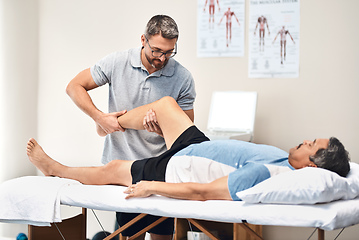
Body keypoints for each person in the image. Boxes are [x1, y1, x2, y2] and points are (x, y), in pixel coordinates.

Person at [27, 97, 351, 238]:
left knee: (113, 169)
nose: (305, 140)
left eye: (312, 144)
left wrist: (153, 186)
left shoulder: (267, 177)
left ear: (312, 163)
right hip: (197, 146)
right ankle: (107, 124)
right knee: (166, 106)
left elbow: (202, 193)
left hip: (177, 168)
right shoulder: (284, 162)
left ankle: (56, 169)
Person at [66, 15, 195, 240]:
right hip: (122, 165)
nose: (162, 58)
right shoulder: (117, 62)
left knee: (161, 236)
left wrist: (160, 129)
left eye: (169, 52)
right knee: (130, 235)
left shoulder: (182, 77)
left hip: (158, 168)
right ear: (143, 40)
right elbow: (74, 86)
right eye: (156, 50)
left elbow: (186, 131)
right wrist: (100, 118)